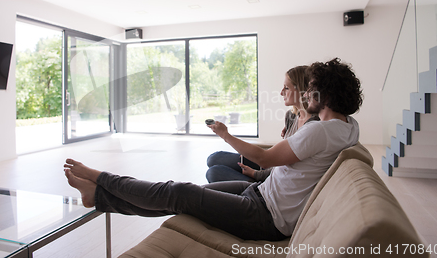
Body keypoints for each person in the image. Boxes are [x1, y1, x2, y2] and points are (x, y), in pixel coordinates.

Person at [64, 58, 363, 241]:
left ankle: (101, 179)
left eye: (312, 87)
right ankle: (98, 195)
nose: (308, 92)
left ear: (324, 94)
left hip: (265, 216)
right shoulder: (348, 126)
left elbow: (264, 157)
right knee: (180, 194)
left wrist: (225, 134)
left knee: (178, 192)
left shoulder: (321, 132)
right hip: (261, 194)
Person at [206, 65, 319, 183]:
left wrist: (256, 174)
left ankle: (248, 185)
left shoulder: (313, 127)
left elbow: (283, 167)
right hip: (271, 165)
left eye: (286, 88)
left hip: (270, 178)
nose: (281, 93)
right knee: (213, 159)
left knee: (214, 172)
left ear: (301, 91)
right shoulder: (291, 117)